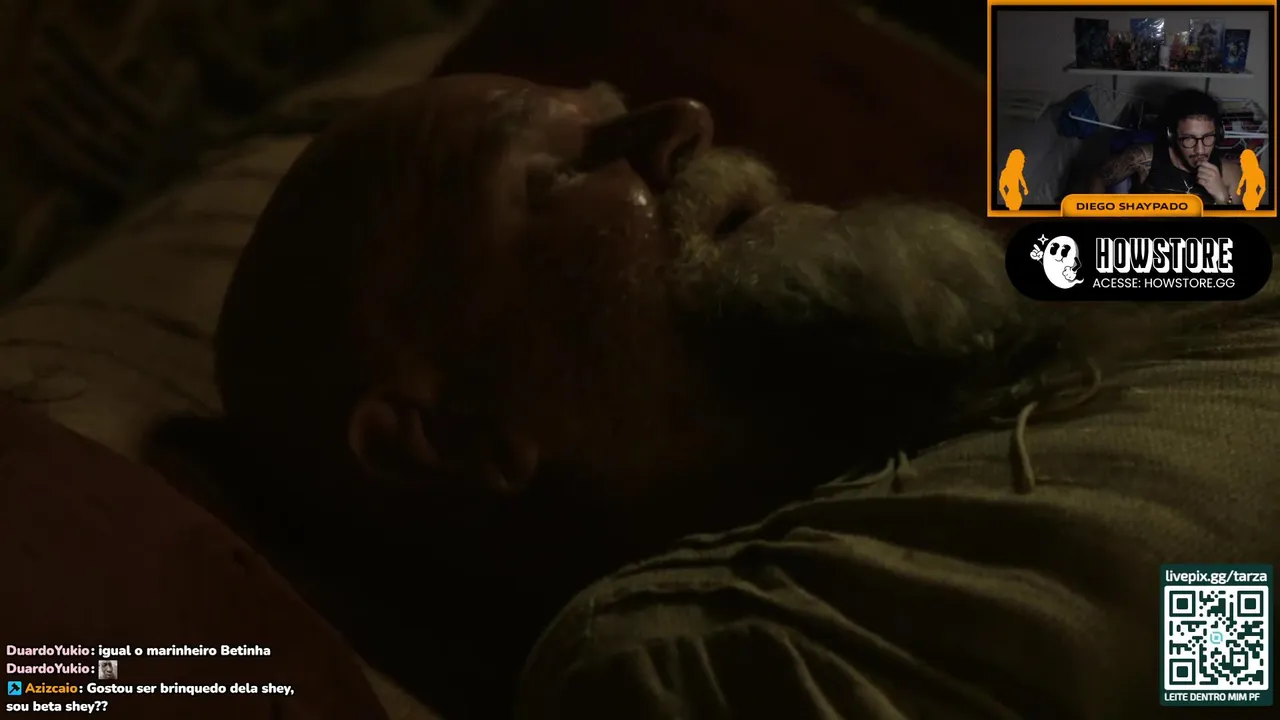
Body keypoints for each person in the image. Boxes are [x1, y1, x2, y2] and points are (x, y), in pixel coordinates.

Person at [214, 74, 1279, 718]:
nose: (684, 118)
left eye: (611, 113)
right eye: (550, 178)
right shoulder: (695, 662)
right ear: (447, 437)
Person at [1087, 89, 1244, 205]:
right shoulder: (1143, 158)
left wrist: (1223, 198)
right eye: (1189, 139)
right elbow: (1098, 177)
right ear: (1172, 136)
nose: (1200, 150)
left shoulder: (1231, 173)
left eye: (1208, 137)